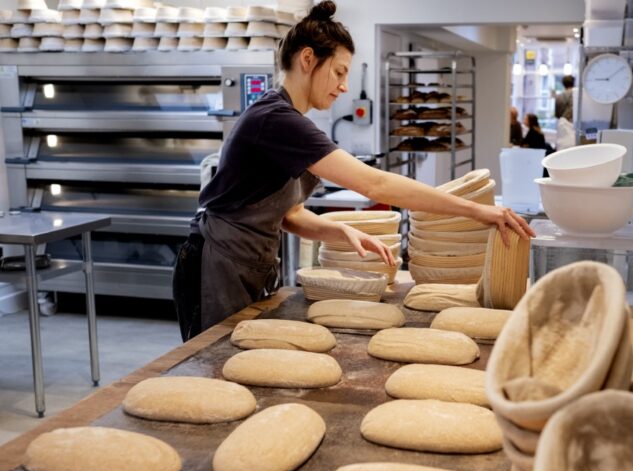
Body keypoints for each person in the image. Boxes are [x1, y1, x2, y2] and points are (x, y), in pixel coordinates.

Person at [173, 0, 534, 341]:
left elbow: (290, 216)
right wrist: (475, 211)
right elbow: (374, 183)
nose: (344, 86)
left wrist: (341, 232)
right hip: (216, 263)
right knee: (211, 364)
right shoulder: (276, 119)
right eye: (340, 72)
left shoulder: (284, 117)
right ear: (308, 59)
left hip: (243, 262)